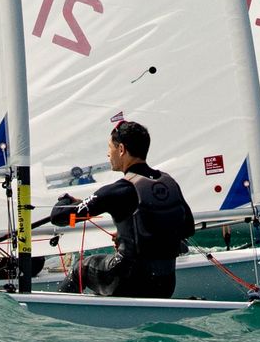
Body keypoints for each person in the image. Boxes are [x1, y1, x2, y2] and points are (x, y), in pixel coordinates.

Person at [48, 119, 194, 297]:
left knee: (82, 267)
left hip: (126, 282)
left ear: (121, 149)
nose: (108, 154)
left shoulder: (118, 191)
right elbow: (187, 228)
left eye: (110, 148)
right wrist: (134, 235)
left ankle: (59, 315)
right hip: (165, 284)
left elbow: (59, 217)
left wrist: (64, 201)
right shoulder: (169, 182)